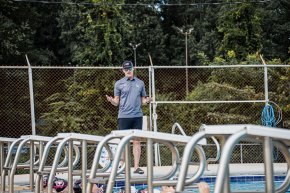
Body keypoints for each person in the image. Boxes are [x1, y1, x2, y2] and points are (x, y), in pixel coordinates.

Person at [106, 60, 151, 175]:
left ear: (133, 69)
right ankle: (122, 167)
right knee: (123, 142)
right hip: (123, 117)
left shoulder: (140, 83)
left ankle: (136, 167)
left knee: (137, 142)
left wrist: (147, 100)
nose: (128, 71)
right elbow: (116, 102)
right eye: (126, 69)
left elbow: (143, 100)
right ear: (123, 71)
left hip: (137, 116)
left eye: (129, 69)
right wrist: (112, 101)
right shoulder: (118, 84)